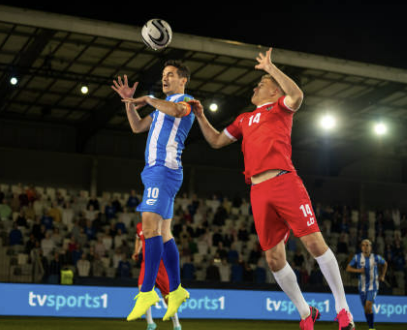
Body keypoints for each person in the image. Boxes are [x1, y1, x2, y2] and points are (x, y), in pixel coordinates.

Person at [188, 47, 355, 330]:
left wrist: (270, 69)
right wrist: (201, 116)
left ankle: (343, 311)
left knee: (314, 243)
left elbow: (298, 95)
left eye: (261, 84)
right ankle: (306, 314)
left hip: (284, 181)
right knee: (274, 258)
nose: (256, 86)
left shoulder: (280, 108)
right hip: (258, 191)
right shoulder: (243, 119)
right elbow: (216, 141)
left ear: (275, 92)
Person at [112, 60, 193, 322]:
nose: (165, 79)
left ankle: (147, 292)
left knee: (149, 227)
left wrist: (148, 98)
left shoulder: (187, 100)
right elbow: (137, 127)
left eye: (170, 75)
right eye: (163, 75)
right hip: (155, 172)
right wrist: (128, 103)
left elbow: (179, 111)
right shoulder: (160, 110)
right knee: (164, 232)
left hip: (163, 169)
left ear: (183, 80)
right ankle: (177, 289)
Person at [133, 222, 181, 330]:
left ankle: (176, 324)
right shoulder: (139, 226)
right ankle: (150, 324)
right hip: (147, 265)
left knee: (167, 298)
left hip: (161, 266)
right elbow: (138, 238)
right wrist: (137, 251)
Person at [346, 239, 387, 330]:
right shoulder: (357, 257)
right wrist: (358, 270)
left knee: (368, 305)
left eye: (367, 245)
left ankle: (371, 328)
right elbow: (348, 268)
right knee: (367, 309)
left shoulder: (376, 257)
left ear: (371, 247)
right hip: (362, 287)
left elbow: (385, 264)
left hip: (373, 286)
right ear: (361, 247)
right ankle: (370, 326)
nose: (365, 247)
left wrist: (383, 275)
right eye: (363, 245)